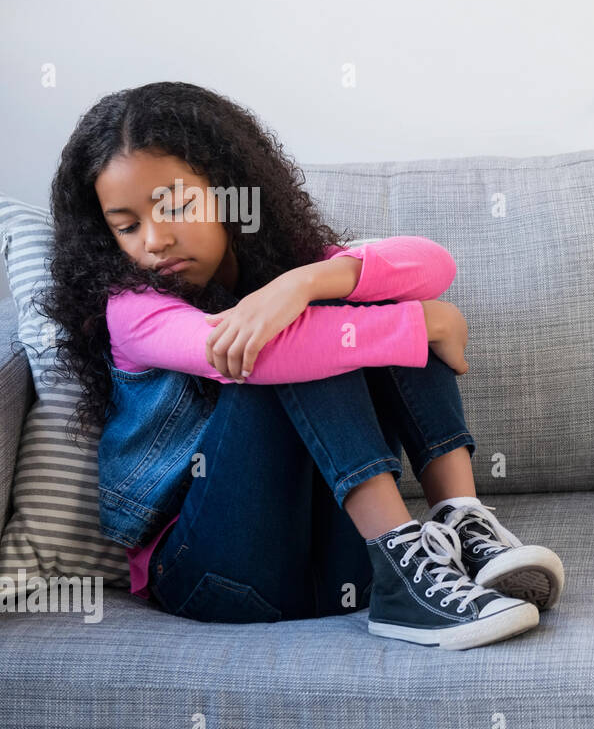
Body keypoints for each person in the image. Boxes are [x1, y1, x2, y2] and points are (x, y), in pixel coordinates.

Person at [39, 81, 563, 650]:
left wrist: (306, 280)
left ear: (228, 190)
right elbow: (254, 356)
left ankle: (461, 522)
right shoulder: (131, 309)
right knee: (297, 344)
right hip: (214, 576)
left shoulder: (286, 269)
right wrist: (425, 324)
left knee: (354, 299)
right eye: (127, 226)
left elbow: (432, 263)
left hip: (336, 567)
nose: (155, 240)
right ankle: (403, 574)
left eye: (176, 205)